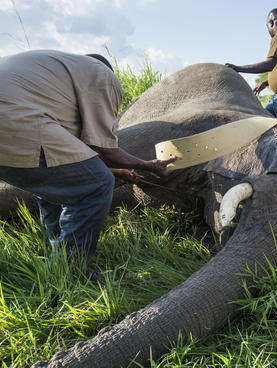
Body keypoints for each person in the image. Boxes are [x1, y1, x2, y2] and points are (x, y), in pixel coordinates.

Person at [0, 50, 175, 274]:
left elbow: (65, 160)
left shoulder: (51, 74)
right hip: (12, 119)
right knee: (98, 184)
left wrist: (113, 169)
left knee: (51, 180)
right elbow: (102, 147)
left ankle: (60, 251)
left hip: (13, 120)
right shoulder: (101, 74)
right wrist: (149, 165)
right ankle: (69, 270)